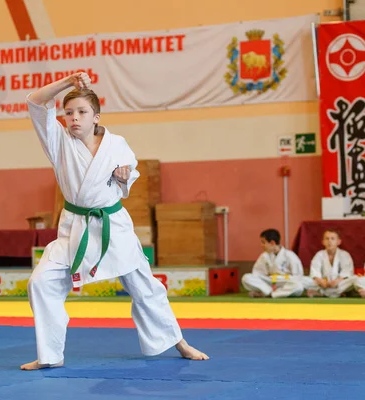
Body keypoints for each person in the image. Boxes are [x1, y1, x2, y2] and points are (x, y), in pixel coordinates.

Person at [21, 72, 208, 371]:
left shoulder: (117, 143)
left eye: (82, 112)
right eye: (69, 113)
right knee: (41, 282)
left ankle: (179, 343)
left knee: (145, 287)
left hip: (112, 226)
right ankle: (50, 356)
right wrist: (68, 82)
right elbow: (35, 101)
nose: (74, 119)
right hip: (75, 229)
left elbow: (128, 173)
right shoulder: (58, 141)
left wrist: (124, 174)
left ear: (96, 116)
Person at [241, 229, 304, 298]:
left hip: (285, 282)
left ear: (272, 243)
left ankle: (271, 294)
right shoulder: (264, 256)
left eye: (263, 242)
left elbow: (298, 276)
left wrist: (285, 279)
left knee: (298, 286)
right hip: (269, 282)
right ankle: (269, 291)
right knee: (246, 278)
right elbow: (257, 273)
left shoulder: (290, 255)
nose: (261, 245)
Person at [303, 230, 356, 298]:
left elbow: (347, 273)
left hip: (339, 284)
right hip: (323, 284)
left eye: (332, 238)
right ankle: (337, 293)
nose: (329, 241)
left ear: (339, 241)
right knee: (304, 280)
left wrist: (337, 281)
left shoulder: (344, 254)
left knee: (355, 279)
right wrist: (320, 281)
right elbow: (314, 272)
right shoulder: (319, 255)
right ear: (323, 242)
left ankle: (322, 293)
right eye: (327, 238)